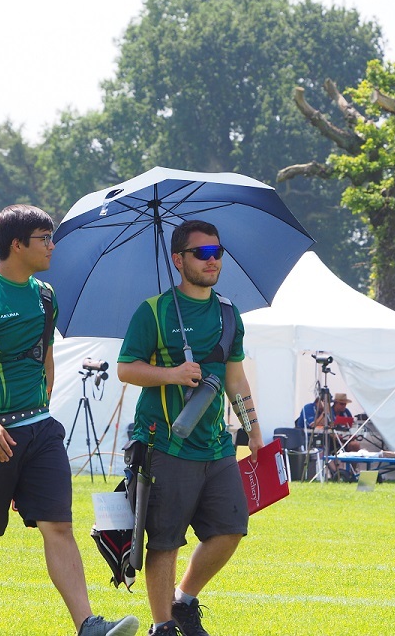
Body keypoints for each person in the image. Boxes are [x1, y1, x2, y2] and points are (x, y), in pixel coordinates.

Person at [0, 204, 138, 636]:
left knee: (59, 525)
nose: (52, 247)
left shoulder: (46, 295)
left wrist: (40, 417)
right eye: (44, 239)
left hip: (40, 431)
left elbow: (45, 360)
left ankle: (88, 625)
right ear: (16, 245)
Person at [118, 219, 264, 636]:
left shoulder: (229, 313)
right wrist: (173, 374)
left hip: (216, 445)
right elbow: (126, 369)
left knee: (231, 527)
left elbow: (235, 378)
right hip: (164, 443)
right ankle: (162, 625)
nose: (212, 260)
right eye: (202, 253)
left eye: (217, 252)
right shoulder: (154, 311)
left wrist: (254, 430)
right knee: (165, 540)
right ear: (178, 260)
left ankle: (183, 600)